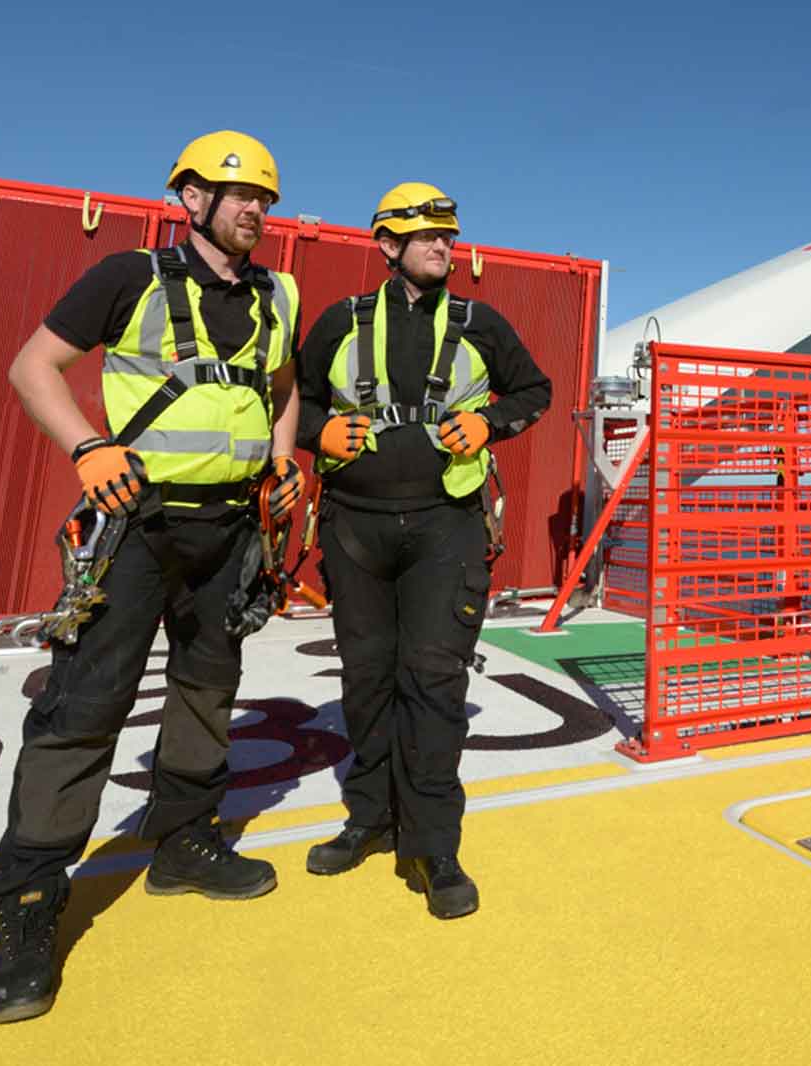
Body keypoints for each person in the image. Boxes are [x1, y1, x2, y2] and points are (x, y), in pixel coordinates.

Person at [0, 130, 303, 1024]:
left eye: (263, 197)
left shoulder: (279, 291)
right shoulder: (130, 277)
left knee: (207, 689)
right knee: (85, 704)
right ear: (188, 199)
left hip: (232, 527)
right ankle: (30, 902)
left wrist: (281, 461)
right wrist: (85, 445)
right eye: (236, 194)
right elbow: (31, 367)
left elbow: (282, 388)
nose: (253, 210)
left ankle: (185, 843)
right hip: (137, 522)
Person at [296, 182, 550, 919]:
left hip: (447, 526)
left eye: (449, 235)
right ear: (387, 245)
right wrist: (317, 433)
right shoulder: (342, 322)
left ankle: (434, 845)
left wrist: (491, 425)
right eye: (428, 235)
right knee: (367, 680)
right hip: (355, 527)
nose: (445, 246)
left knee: (434, 684)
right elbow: (297, 401)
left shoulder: (479, 321)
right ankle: (370, 818)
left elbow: (533, 389)